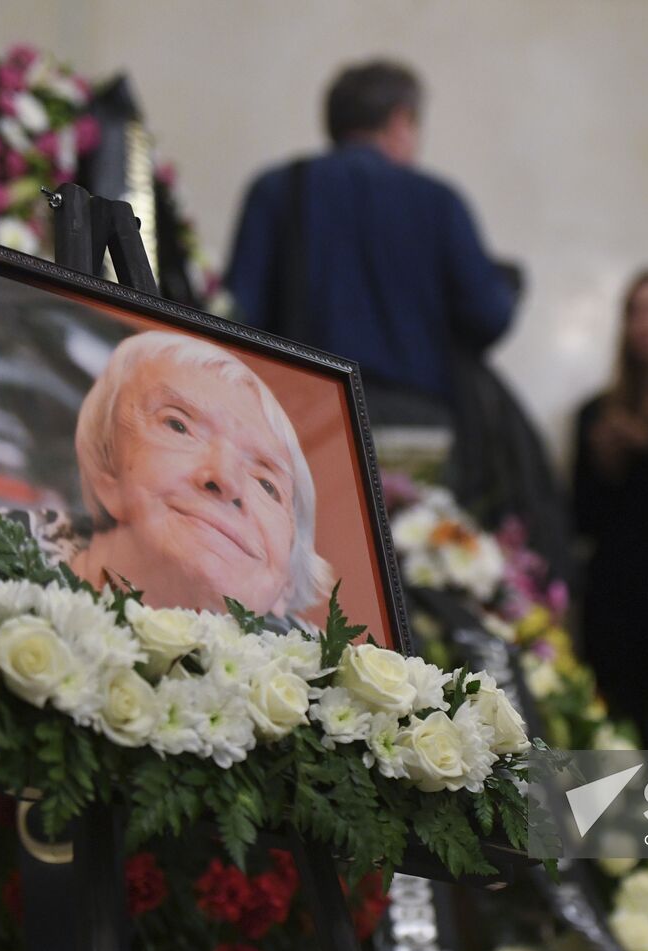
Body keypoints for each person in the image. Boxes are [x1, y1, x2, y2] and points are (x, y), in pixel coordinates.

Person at [224, 59, 516, 428]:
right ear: (400, 119)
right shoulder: (438, 201)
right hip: (416, 423)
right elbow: (487, 317)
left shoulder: (276, 189)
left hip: (304, 421)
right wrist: (507, 283)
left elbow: (236, 318)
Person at [67, 331, 332, 617]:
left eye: (267, 485)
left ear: (287, 583)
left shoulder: (328, 661)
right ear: (105, 464)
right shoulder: (14, 573)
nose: (226, 479)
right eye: (179, 426)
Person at [572, 269, 648, 733]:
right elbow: (582, 518)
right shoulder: (597, 414)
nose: (646, 323)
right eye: (636, 311)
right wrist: (605, 460)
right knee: (619, 728)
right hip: (618, 597)